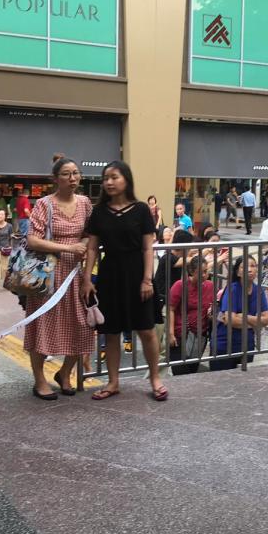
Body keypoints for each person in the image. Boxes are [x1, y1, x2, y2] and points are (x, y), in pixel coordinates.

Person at [82, 160, 168, 401]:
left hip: (137, 274)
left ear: (126, 180)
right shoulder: (98, 211)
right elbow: (92, 248)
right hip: (109, 275)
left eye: (114, 177)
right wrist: (87, 279)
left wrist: (147, 280)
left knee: (147, 330)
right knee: (110, 332)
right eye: (106, 178)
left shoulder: (141, 209)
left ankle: (155, 378)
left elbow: (147, 248)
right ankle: (113, 382)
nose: (109, 182)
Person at [24, 157, 92, 400]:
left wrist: (82, 244)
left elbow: (89, 235)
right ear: (55, 179)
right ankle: (39, 379)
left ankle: (64, 373)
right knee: (43, 326)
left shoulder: (85, 203)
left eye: (76, 173)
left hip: (75, 274)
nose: (72, 178)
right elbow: (32, 239)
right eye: (66, 174)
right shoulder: (44, 204)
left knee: (83, 326)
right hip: (48, 275)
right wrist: (69, 248)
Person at [210, 255, 268, 371]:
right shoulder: (232, 289)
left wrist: (245, 316)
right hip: (224, 345)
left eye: (253, 266)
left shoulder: (259, 291)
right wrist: (254, 322)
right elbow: (230, 320)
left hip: (247, 345)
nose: (249, 269)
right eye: (244, 267)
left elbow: (266, 320)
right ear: (238, 272)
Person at [167, 256, 214, 375]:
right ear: (192, 272)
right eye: (201, 272)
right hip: (180, 336)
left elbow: (212, 306)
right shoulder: (180, 285)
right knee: (180, 373)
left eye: (206, 271)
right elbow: (170, 309)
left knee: (192, 373)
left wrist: (211, 313)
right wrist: (171, 334)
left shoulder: (210, 286)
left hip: (199, 337)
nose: (204, 275)